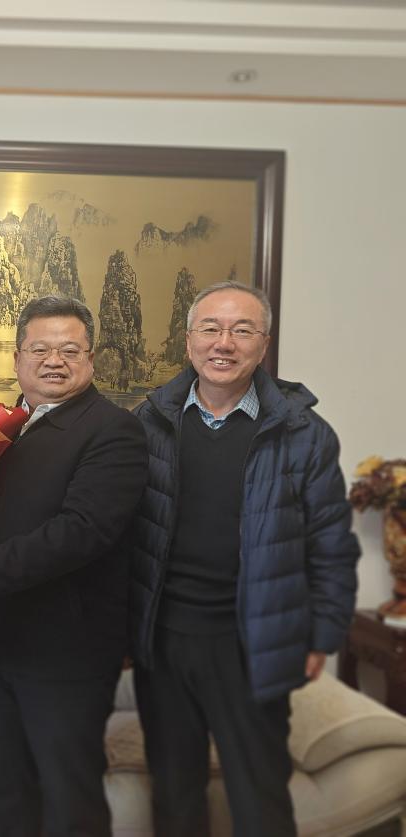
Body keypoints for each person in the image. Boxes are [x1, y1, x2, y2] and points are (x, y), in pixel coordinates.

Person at [129, 280, 360, 836]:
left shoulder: (303, 434)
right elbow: (122, 535)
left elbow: (331, 543)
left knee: (260, 800)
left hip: (253, 644)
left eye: (242, 330)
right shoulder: (147, 423)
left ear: (264, 344)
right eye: (210, 328)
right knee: (175, 797)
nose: (224, 343)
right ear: (189, 340)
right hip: (164, 642)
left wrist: (322, 635)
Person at [0, 295, 149, 837]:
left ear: (91, 359)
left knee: (69, 801)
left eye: (70, 350)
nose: (54, 361)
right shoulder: (2, 427)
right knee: (1, 794)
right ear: (18, 357)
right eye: (40, 349)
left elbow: (83, 530)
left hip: (66, 651)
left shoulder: (114, 430)